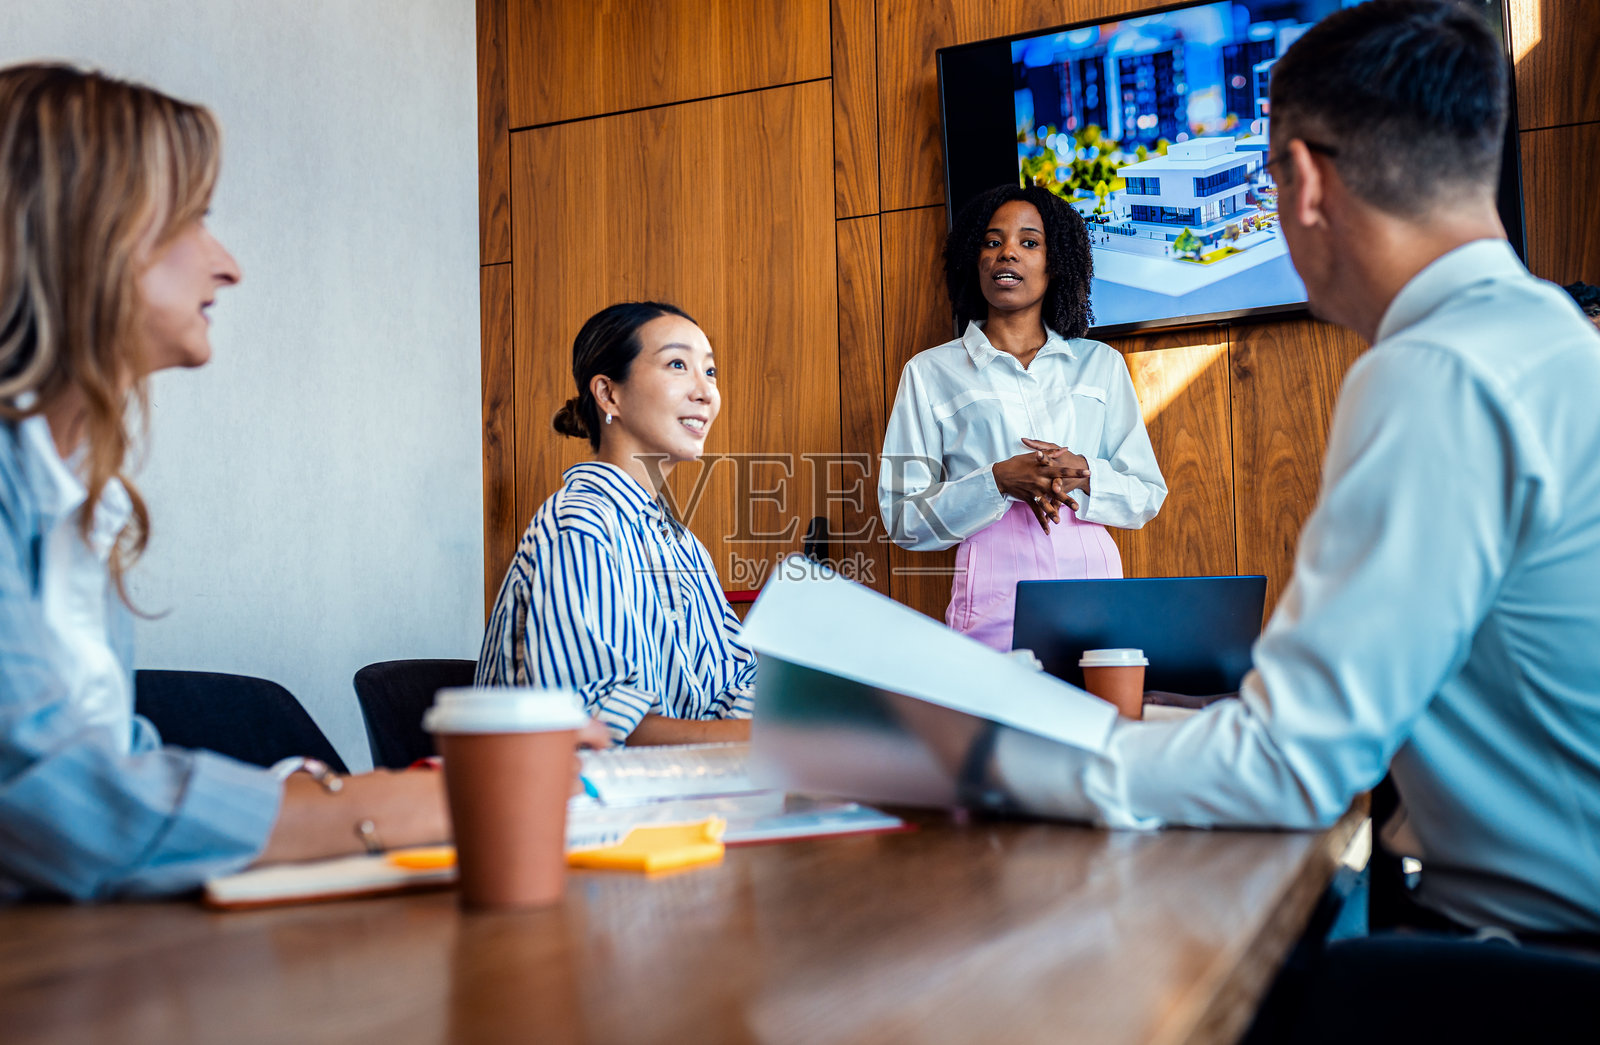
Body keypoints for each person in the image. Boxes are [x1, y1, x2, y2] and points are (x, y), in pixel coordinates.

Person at [945, 0, 1600, 942]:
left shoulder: (1435, 370)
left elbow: (1292, 760)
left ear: (1301, 181)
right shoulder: (1543, 339)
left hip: (1536, 956)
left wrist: (1000, 761)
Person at [0, 64, 466, 901]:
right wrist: (399, 804)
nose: (229, 266)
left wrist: (316, 794)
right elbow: (49, 802)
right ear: (86, 232)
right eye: (194, 220)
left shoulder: (78, 492)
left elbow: (105, 755)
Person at [878, 184, 1166, 650]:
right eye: (992, 242)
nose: (1007, 252)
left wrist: (1085, 472)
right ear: (974, 261)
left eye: (1029, 242)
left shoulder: (1101, 364)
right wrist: (996, 480)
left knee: (1098, 718)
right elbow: (901, 518)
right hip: (993, 600)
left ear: (1056, 264)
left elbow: (1147, 495)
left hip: (1096, 592)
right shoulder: (930, 372)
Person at [476, 302, 757, 746]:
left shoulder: (682, 545)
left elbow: (732, 689)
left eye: (711, 371)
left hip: (682, 793)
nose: (706, 392)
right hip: (578, 803)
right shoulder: (579, 525)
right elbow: (593, 729)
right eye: (678, 364)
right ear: (609, 394)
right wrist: (765, 739)